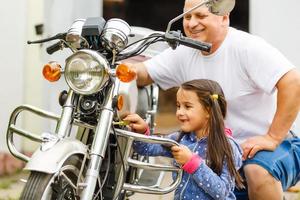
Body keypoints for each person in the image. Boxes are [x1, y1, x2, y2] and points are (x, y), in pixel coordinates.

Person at [129, 0, 300, 199]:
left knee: (257, 171)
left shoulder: (246, 47)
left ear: (224, 18)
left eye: (200, 16)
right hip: (218, 152)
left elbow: (293, 82)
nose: (192, 23)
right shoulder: (185, 51)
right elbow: (145, 72)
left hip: (274, 148)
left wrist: (272, 137)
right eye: (187, 17)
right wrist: (127, 69)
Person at [124, 79, 243, 199]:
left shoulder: (228, 146)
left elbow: (222, 192)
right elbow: (146, 149)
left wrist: (192, 162)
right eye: (178, 106)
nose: (179, 112)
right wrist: (142, 131)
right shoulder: (180, 139)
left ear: (208, 110)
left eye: (187, 106)